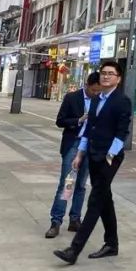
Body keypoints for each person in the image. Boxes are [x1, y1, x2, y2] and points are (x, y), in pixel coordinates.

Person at [53, 60, 132, 264]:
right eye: (103, 73)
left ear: (118, 79)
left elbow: (122, 133)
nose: (106, 76)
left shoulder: (122, 101)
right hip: (92, 153)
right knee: (105, 199)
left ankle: (74, 250)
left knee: (95, 201)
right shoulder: (97, 99)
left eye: (110, 73)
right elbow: (88, 130)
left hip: (109, 158)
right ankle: (112, 244)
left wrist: (110, 156)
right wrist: (80, 154)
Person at [45, 71, 100, 238]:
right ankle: (56, 221)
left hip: (90, 145)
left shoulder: (101, 100)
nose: (96, 94)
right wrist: (78, 120)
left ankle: (75, 219)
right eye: (93, 90)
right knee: (67, 182)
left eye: (98, 91)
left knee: (81, 185)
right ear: (87, 85)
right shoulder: (72, 98)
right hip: (73, 143)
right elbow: (60, 121)